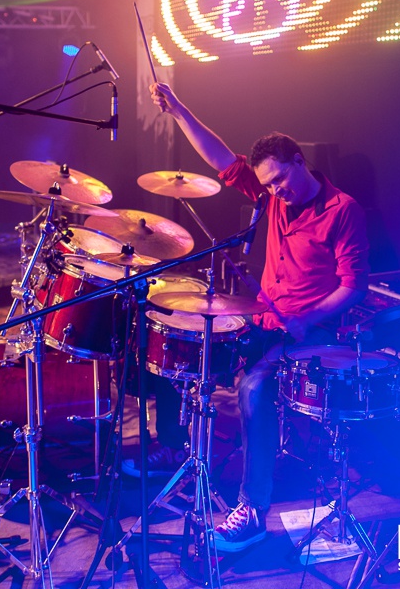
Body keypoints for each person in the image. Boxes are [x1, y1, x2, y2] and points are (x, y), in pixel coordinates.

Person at [149, 82, 370, 552]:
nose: (274, 191)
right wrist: (179, 110)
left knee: (253, 388)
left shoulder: (342, 211)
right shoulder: (272, 197)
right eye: (266, 185)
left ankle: (252, 512)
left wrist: (308, 318)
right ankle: (179, 454)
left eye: (279, 180)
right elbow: (220, 158)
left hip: (313, 332)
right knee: (187, 350)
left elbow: (354, 286)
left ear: (299, 162)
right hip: (266, 322)